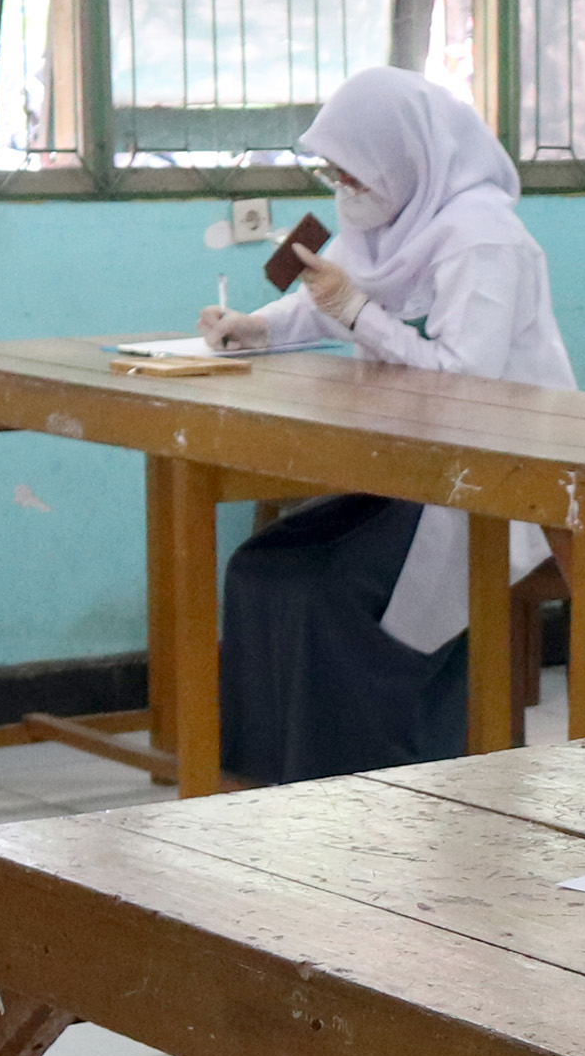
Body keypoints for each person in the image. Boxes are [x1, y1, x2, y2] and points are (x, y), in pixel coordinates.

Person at [197, 68, 566, 782]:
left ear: (403, 159)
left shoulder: (484, 239)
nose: (342, 188)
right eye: (332, 172)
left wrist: (360, 316)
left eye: (352, 172)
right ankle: (268, 790)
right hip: (408, 467)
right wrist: (253, 329)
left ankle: (369, 788)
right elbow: (322, 294)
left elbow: (466, 380)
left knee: (330, 596)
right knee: (258, 572)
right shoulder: (386, 218)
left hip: (487, 476)